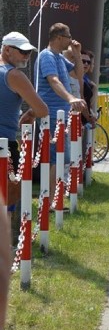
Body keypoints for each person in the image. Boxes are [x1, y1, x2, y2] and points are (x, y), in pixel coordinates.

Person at [36, 23, 89, 200]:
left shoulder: (59, 57)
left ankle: (53, 199)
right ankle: (50, 200)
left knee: (61, 158)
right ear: (59, 37)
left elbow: (78, 74)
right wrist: (70, 98)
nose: (70, 38)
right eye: (68, 36)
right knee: (55, 158)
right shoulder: (47, 56)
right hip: (51, 114)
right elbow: (53, 80)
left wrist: (77, 54)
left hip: (60, 116)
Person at [1, 32, 50, 217]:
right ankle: (6, 243)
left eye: (29, 52)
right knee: (9, 198)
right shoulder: (14, 75)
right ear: (7, 50)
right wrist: (30, 113)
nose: (27, 56)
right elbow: (42, 109)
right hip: (4, 142)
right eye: (22, 51)